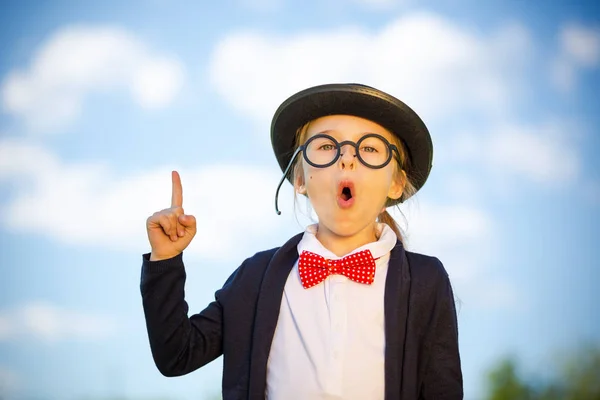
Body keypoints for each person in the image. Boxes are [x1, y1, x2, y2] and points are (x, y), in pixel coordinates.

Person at [140, 83, 463, 399]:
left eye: (369, 148)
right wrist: (165, 261)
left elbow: (442, 388)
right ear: (299, 178)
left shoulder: (426, 279)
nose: (347, 158)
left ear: (395, 183)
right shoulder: (256, 276)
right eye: (325, 146)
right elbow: (177, 355)